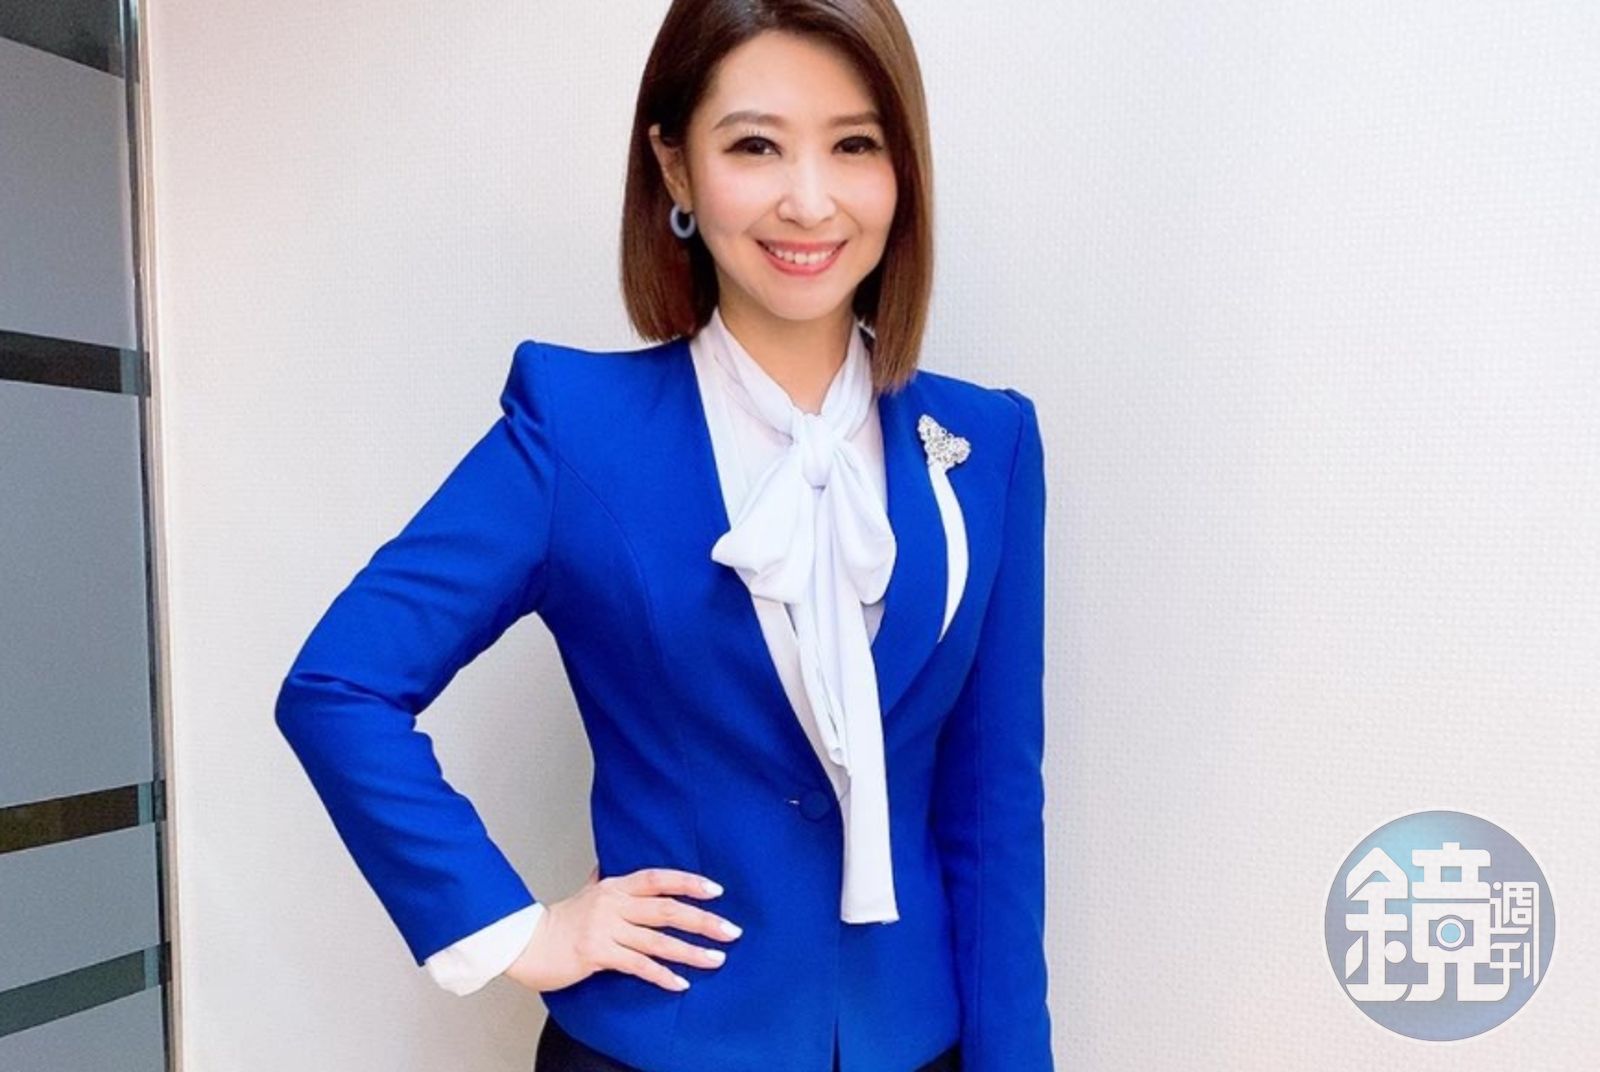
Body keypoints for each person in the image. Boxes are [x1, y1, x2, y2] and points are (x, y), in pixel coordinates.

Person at [274, 1, 1053, 1070]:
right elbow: (339, 685)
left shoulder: (985, 444)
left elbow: (995, 811)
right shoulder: (576, 430)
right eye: (755, 146)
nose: (809, 199)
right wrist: (520, 929)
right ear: (676, 169)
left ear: (902, 171)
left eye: (855, 145)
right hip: (655, 1047)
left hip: (914, 1044)